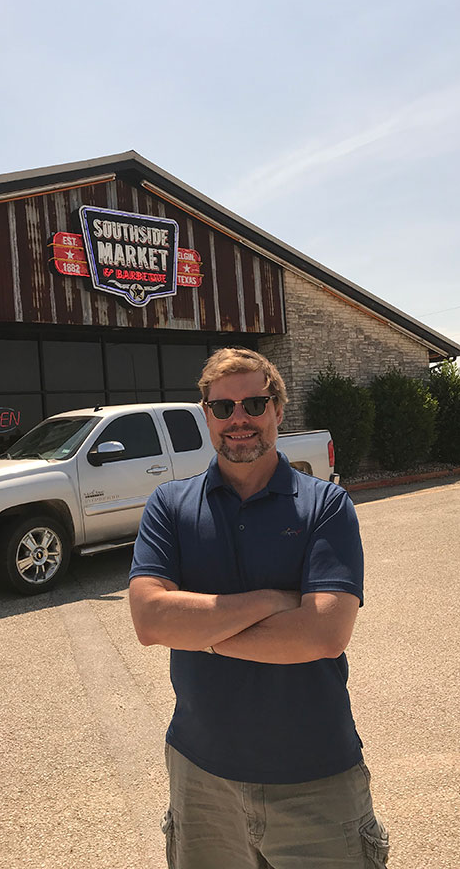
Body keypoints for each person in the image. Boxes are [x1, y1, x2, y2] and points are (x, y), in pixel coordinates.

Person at [128, 347, 389, 869]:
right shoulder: (170, 505)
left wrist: (200, 630)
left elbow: (323, 634)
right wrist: (273, 600)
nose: (238, 418)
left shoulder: (326, 505)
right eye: (222, 407)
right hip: (200, 773)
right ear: (206, 414)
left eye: (253, 403)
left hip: (315, 773)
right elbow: (151, 620)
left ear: (277, 410)